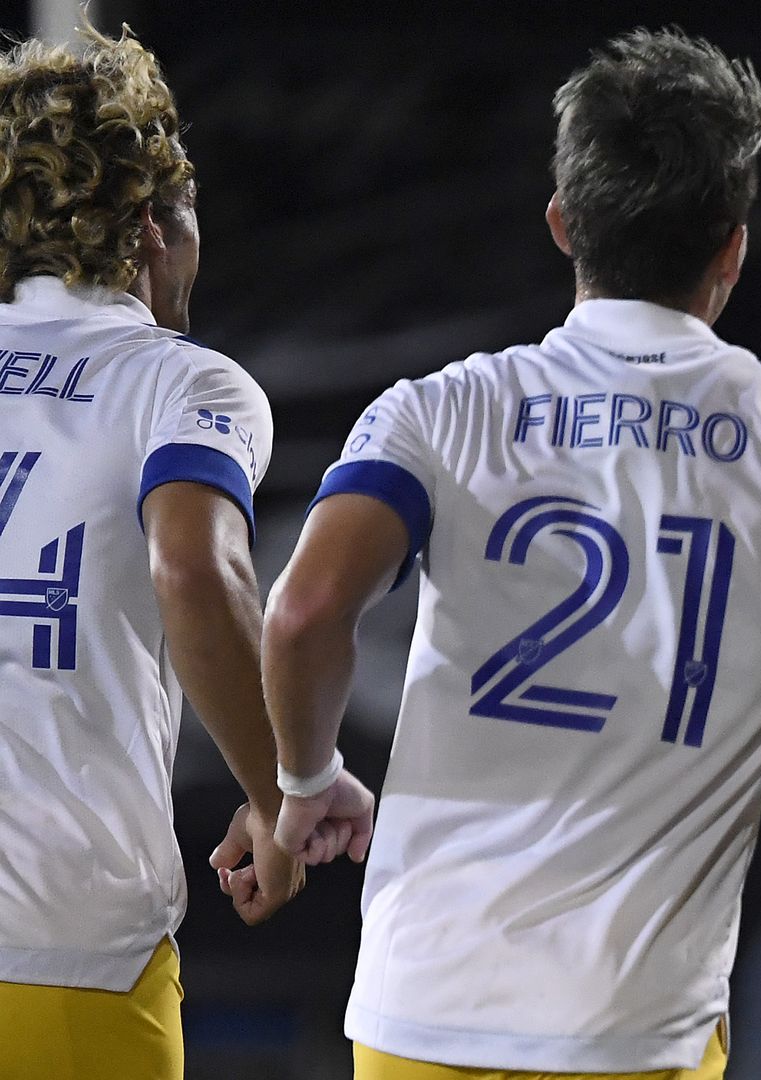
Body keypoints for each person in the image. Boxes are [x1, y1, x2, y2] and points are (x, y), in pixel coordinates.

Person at [261, 28, 761, 1080]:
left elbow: (302, 614)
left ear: (563, 224)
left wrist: (306, 780)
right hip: (634, 1028)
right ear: (733, 247)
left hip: (423, 1010)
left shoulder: (440, 412)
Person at [0, 26, 307, 1080]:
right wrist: (283, 794)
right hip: (64, 948)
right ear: (151, 227)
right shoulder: (182, 385)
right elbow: (195, 569)